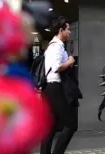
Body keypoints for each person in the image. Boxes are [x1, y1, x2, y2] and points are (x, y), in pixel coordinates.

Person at [40, 16, 77, 154]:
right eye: (68, 29)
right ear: (61, 30)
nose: (70, 32)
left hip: (50, 88)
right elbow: (56, 67)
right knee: (71, 124)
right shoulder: (56, 46)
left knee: (51, 125)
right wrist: (69, 61)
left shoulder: (54, 46)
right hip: (56, 87)